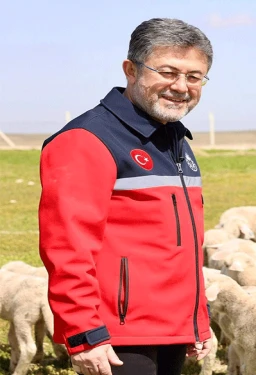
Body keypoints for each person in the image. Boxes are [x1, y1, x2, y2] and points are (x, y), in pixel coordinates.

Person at [38, 18, 214, 375]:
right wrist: (85, 333)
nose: (181, 87)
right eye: (168, 72)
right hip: (116, 335)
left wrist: (197, 319)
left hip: (171, 330)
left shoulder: (173, 140)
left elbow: (181, 246)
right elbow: (68, 247)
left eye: (194, 77)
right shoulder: (87, 141)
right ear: (131, 70)